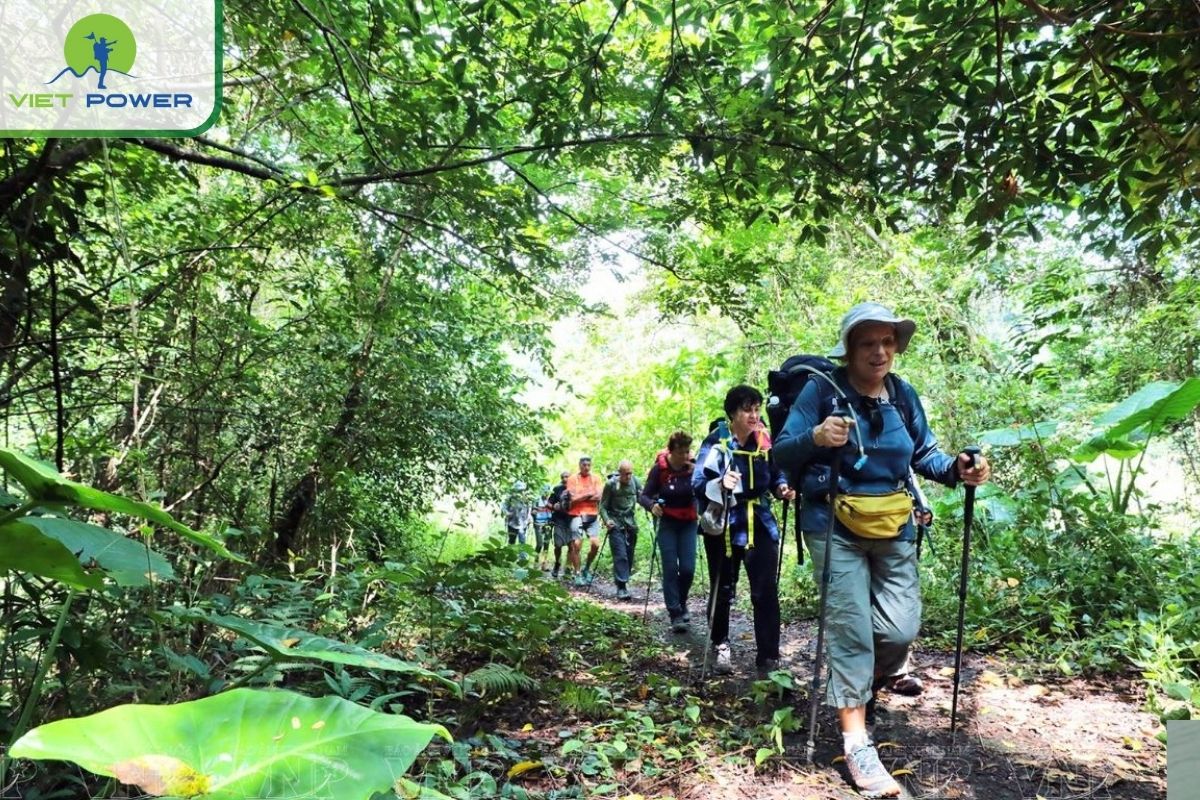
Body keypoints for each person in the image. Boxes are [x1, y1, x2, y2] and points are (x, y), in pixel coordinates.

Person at [774, 302, 992, 799]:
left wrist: (959, 469)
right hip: (833, 522)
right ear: (849, 350)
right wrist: (814, 436)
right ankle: (856, 741)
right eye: (868, 343)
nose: (879, 352)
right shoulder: (820, 393)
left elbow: (924, 454)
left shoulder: (902, 394)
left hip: (894, 521)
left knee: (899, 630)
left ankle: (863, 689)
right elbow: (781, 452)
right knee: (852, 630)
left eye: (887, 342)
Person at [694, 386, 796, 676]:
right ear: (732, 413)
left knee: (765, 590)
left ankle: (768, 657)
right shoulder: (717, 443)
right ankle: (721, 645)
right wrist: (720, 484)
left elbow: (777, 472)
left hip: (759, 522)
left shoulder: (764, 440)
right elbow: (698, 481)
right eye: (746, 410)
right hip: (725, 523)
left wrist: (782, 487)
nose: (753, 415)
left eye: (756, 409)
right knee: (723, 588)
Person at [639, 432, 698, 632]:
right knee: (671, 567)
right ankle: (675, 613)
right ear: (671, 451)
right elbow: (644, 496)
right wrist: (652, 506)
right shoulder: (659, 470)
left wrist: (697, 471)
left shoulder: (693, 467)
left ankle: (681, 602)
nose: (685, 456)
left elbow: (706, 487)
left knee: (688, 568)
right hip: (667, 523)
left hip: (689, 522)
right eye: (681, 452)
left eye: (687, 451)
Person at [600, 460, 641, 600]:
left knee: (629, 555)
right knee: (620, 554)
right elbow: (603, 506)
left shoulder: (635, 481)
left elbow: (643, 497)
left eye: (630, 473)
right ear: (619, 473)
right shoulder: (611, 484)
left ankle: (621, 580)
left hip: (631, 524)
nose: (628, 477)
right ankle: (622, 586)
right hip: (616, 523)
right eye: (625, 474)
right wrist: (607, 520)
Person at [565, 456, 604, 587]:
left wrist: (581, 496)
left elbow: (599, 496)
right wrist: (588, 495)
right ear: (579, 465)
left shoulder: (596, 478)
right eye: (584, 465)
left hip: (592, 515)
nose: (586, 467)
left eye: (588, 465)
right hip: (576, 515)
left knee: (596, 544)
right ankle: (577, 574)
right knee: (576, 545)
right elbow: (573, 500)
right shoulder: (572, 479)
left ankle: (587, 568)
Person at [547, 471, 572, 578]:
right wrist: (553, 507)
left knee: (572, 546)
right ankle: (557, 564)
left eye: (567, 477)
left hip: (572, 520)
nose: (565, 479)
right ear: (561, 478)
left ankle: (568, 568)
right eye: (563, 477)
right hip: (559, 520)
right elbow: (548, 503)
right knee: (558, 545)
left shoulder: (576, 488)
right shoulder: (557, 489)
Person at [501, 482, 532, 557]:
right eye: (518, 490)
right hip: (512, 523)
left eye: (522, 490)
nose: (520, 492)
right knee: (512, 541)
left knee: (522, 542)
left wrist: (529, 518)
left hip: (523, 523)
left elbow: (529, 509)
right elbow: (503, 507)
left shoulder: (526, 499)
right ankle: (510, 559)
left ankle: (522, 561)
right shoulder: (510, 498)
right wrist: (507, 513)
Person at [532, 485, 554, 570]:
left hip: (548, 525)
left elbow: (553, 511)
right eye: (544, 491)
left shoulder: (551, 500)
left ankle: (544, 564)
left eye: (547, 491)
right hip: (538, 524)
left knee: (546, 544)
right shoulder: (536, 500)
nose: (545, 493)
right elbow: (532, 511)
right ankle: (535, 562)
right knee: (539, 544)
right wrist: (534, 512)